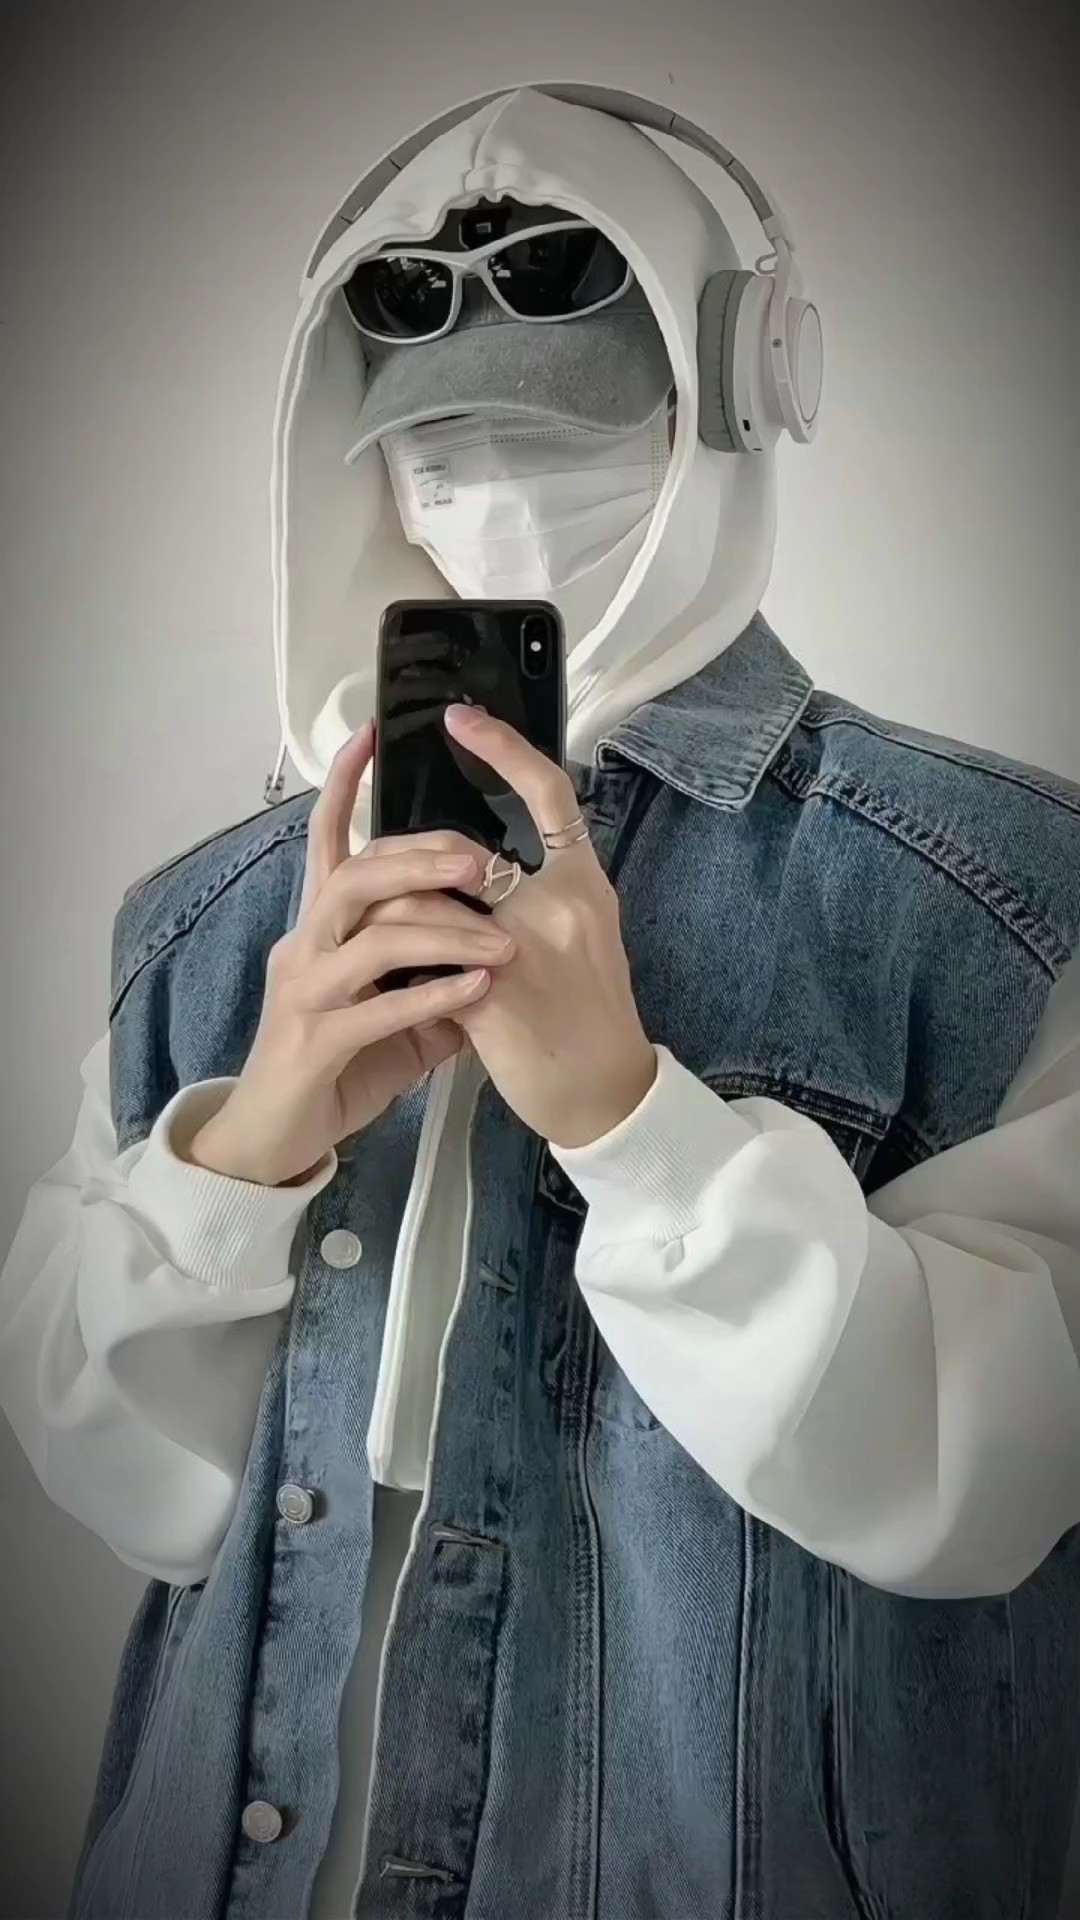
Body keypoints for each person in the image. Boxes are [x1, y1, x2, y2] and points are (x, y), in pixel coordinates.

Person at [2, 83, 1079, 1920]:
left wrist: (635, 1130)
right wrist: (246, 1152)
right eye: (437, 433)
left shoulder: (1004, 901)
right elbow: (121, 1481)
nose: (490, 486)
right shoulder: (209, 926)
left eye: (560, 423)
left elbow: (991, 1482)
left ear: (739, 393)